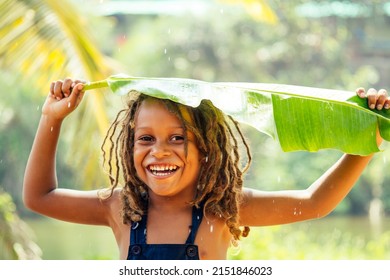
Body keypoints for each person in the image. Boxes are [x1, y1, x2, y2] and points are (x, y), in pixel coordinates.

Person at [23, 79, 389, 260]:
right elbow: (39, 197)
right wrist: (51, 118)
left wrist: (366, 138)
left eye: (178, 138)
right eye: (146, 139)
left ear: (205, 148)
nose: (159, 152)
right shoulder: (120, 207)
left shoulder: (224, 207)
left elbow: (313, 202)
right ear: (130, 146)